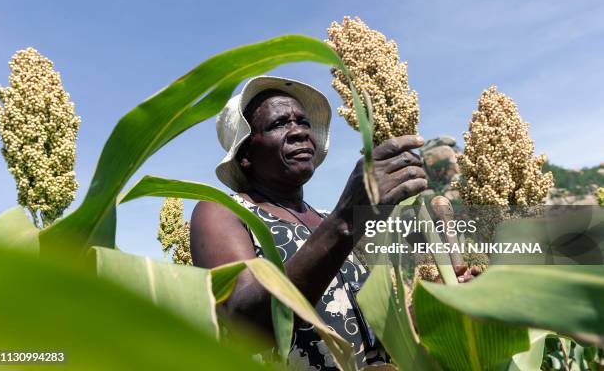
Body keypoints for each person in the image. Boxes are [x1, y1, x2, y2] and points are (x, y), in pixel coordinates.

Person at [190, 76, 477, 370]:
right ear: (246, 154)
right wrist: (345, 221)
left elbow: (371, 334)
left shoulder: (328, 220)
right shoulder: (223, 211)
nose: (299, 131)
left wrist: (437, 304)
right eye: (279, 124)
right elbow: (246, 324)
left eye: (302, 122)